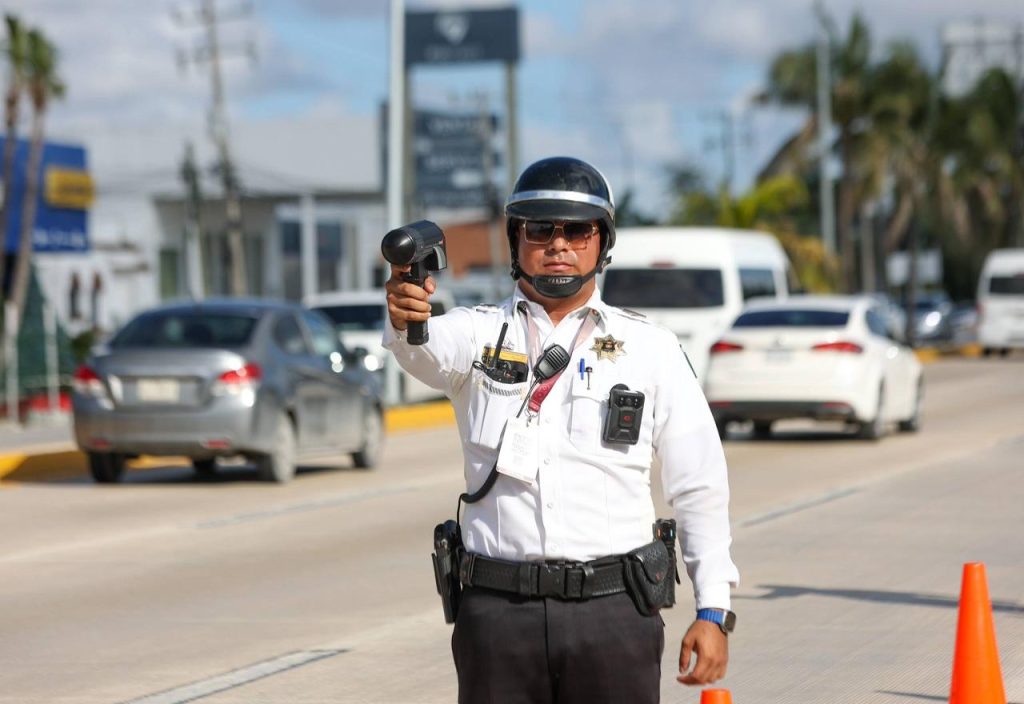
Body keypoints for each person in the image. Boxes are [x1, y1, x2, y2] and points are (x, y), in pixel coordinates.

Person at [383, 156, 739, 703]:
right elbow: (424, 351)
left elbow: (699, 484)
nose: (559, 244)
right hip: (498, 619)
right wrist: (407, 314)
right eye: (540, 228)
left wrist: (713, 608)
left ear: (603, 242)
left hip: (615, 614)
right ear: (515, 240)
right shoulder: (476, 335)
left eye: (577, 230)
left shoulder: (652, 349)